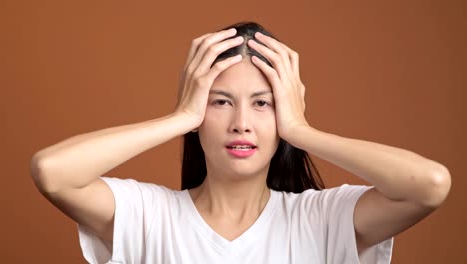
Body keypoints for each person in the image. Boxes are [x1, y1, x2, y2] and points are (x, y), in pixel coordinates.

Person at [30, 21, 451, 263]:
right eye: (221, 102)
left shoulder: (321, 219)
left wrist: (301, 131)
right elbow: (53, 173)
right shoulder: (148, 216)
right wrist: (181, 117)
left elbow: (429, 185)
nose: (241, 123)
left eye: (262, 104)